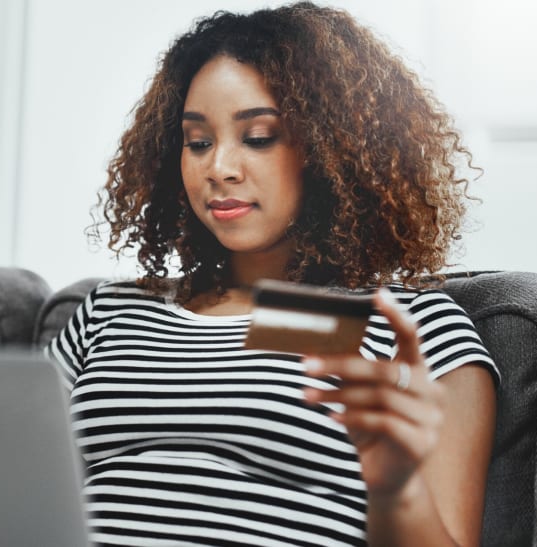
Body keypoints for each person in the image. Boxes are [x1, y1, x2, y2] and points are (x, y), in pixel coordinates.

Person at [47, 3, 498, 546]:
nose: (220, 168)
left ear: (332, 149)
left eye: (258, 137)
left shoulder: (413, 327)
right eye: (198, 142)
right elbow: (1, 486)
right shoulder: (111, 311)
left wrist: (397, 488)